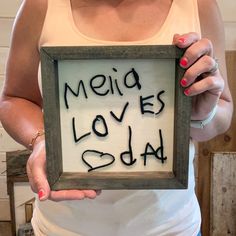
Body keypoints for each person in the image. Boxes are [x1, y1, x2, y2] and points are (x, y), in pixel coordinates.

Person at [0, 0, 233, 235]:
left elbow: (222, 112)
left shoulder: (198, 6)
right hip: (62, 227)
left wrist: (202, 113)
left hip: (170, 226)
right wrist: (40, 140)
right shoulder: (41, 6)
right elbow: (14, 98)